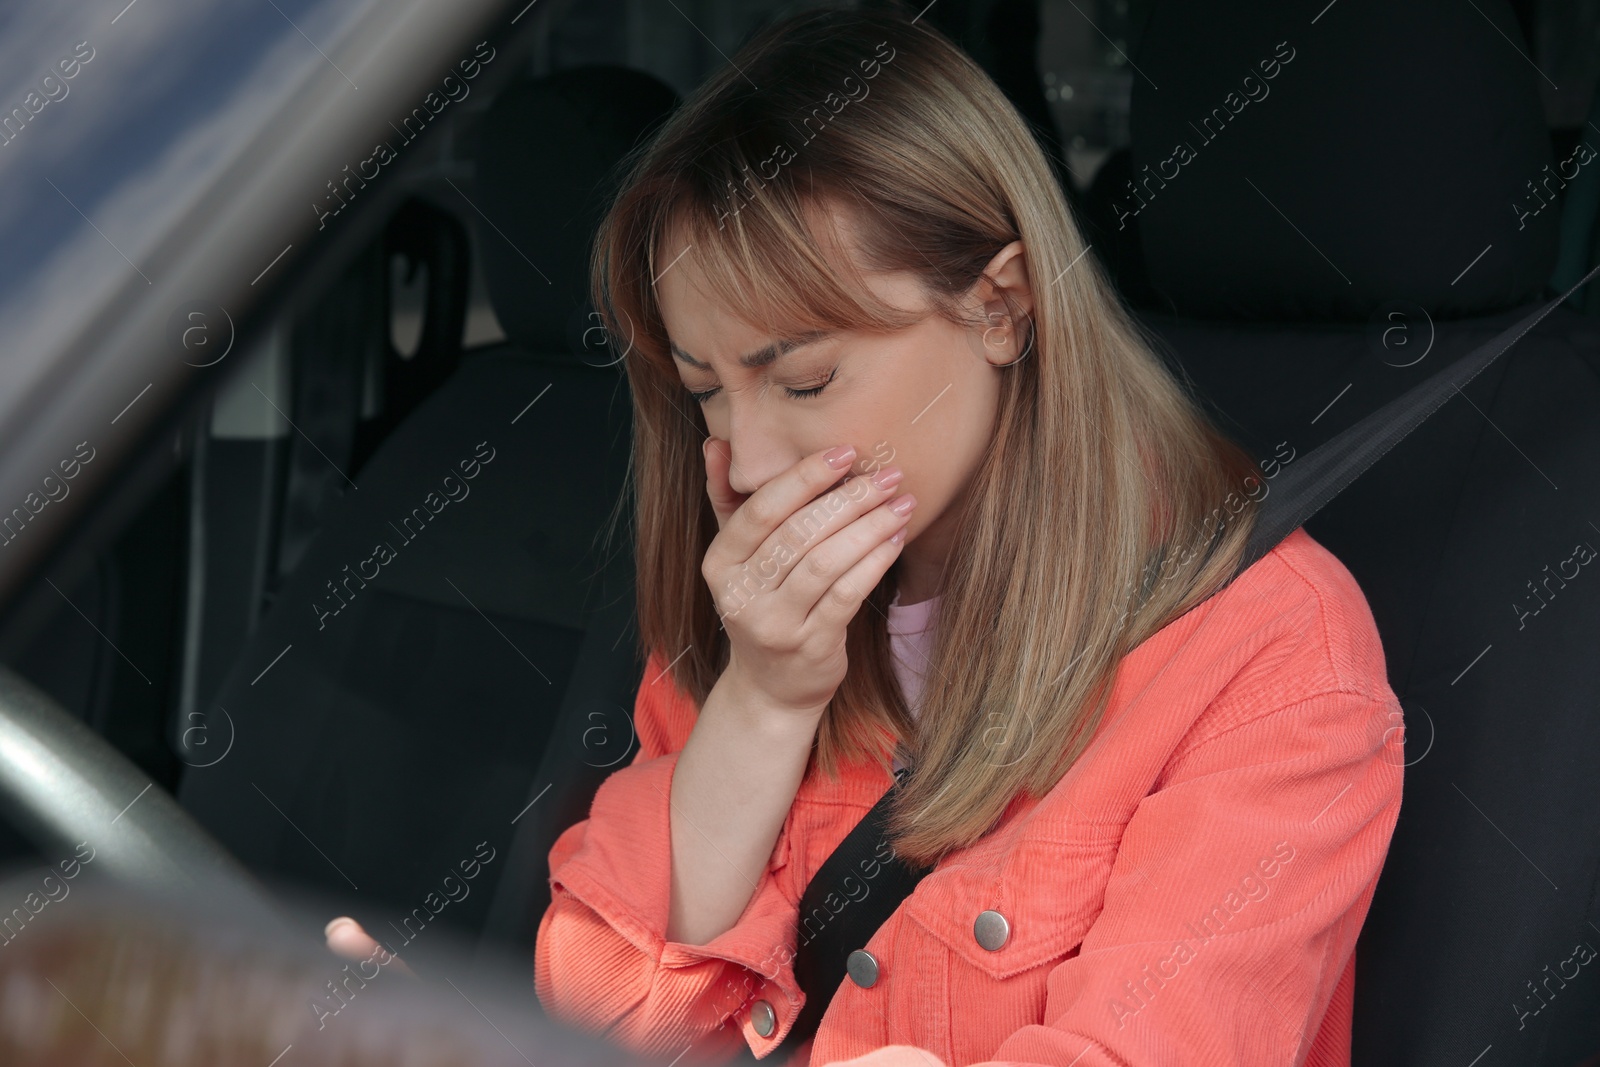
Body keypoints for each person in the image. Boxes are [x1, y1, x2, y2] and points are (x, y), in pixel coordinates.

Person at [333, 5, 1404, 1066]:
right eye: (705, 391)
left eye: (803, 379)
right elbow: (608, 1024)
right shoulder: (760, 605)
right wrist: (761, 699)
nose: (747, 464)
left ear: (1001, 309)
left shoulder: (1268, 655)